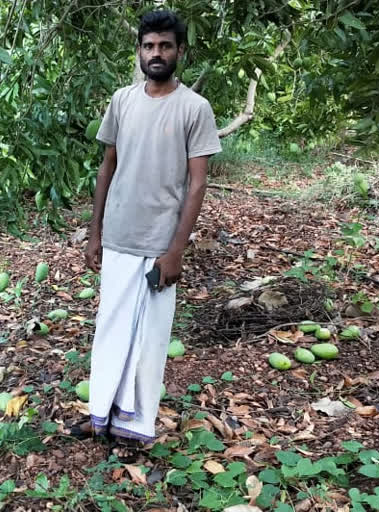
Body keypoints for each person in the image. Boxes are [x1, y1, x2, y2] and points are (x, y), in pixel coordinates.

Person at [76, 9, 222, 459]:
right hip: (119, 235)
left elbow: (197, 183)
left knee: (150, 338)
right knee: (111, 329)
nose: (156, 54)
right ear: (139, 50)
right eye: (148, 46)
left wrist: (176, 250)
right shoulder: (122, 100)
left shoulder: (194, 109)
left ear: (180, 51)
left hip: (161, 243)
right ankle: (101, 413)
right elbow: (109, 165)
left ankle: (135, 427)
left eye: (165, 46)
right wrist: (94, 231)